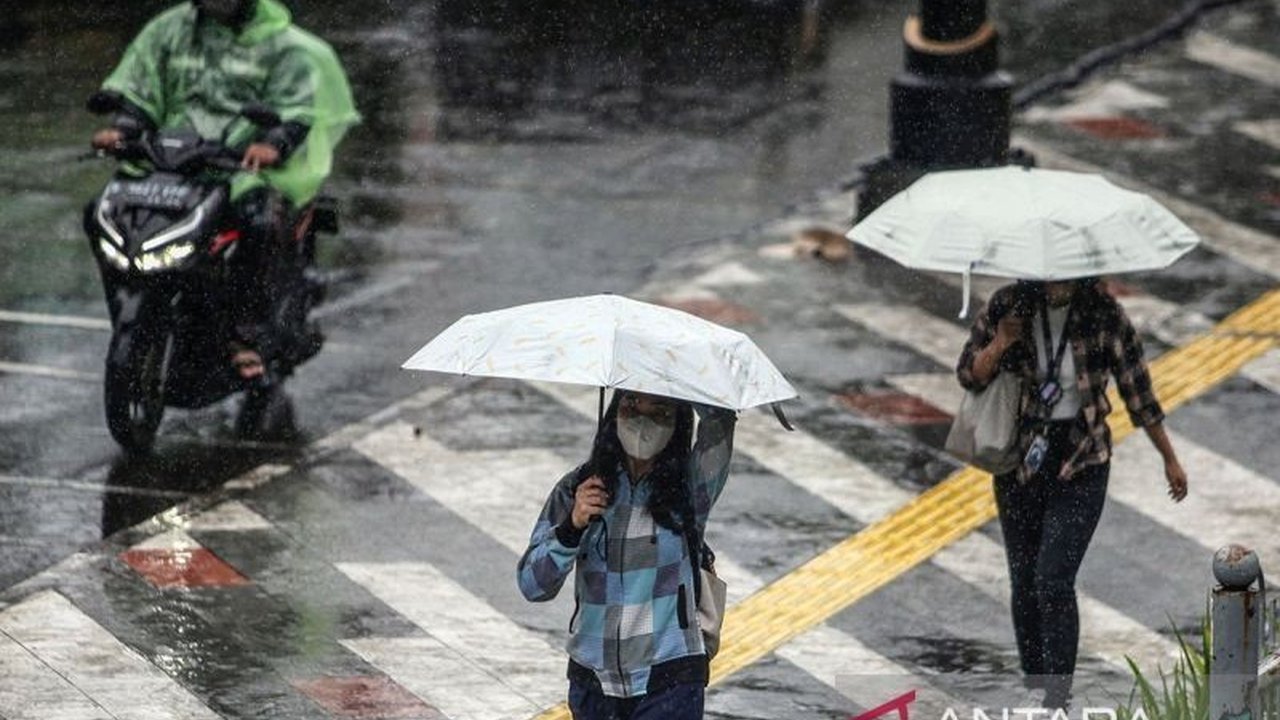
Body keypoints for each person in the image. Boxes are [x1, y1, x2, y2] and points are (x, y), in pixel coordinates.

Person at [90, 0, 359, 383]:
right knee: (101, 211)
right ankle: (138, 301)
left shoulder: (283, 46)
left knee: (260, 223)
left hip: (240, 168)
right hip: (172, 160)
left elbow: (296, 108)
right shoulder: (169, 31)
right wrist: (124, 128)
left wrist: (274, 142)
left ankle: (246, 335)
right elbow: (140, 87)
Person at [956, 278, 1189, 708]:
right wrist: (1002, 341)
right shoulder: (1008, 305)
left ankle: (1057, 700)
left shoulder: (1103, 313)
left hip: (1082, 458)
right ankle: (1037, 685)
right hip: (1020, 461)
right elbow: (969, 374)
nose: (1054, 280)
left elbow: (1138, 392)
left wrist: (1169, 458)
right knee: (1024, 581)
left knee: (1053, 579)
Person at [518, 390, 737, 720]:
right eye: (632, 406)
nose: (642, 420)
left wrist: (675, 369)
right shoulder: (578, 488)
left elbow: (720, 419)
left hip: (671, 679)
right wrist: (572, 527)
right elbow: (532, 585)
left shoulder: (690, 488)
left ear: (678, 423)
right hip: (593, 681)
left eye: (660, 411)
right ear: (613, 413)